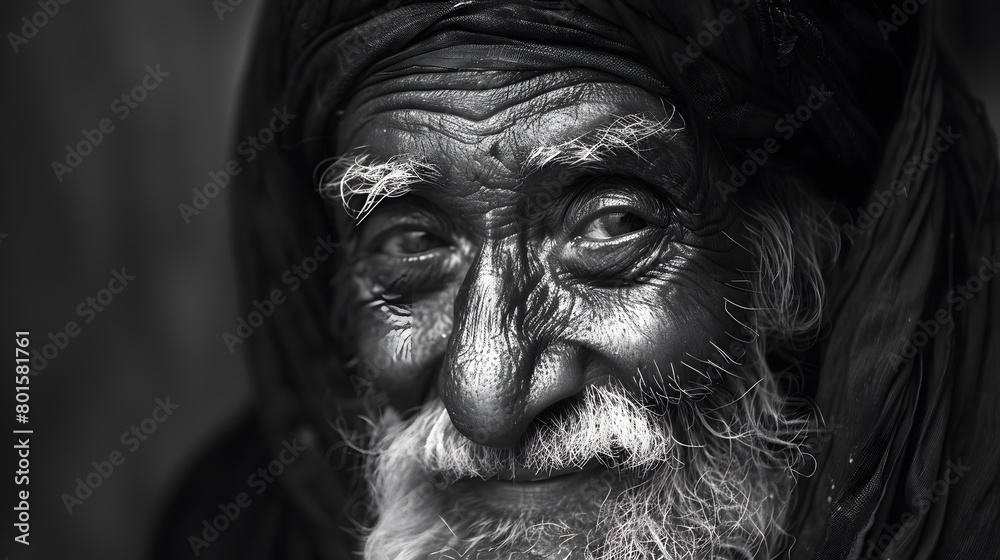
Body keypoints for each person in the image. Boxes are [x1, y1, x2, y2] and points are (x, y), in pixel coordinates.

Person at [155, 1, 1000, 558]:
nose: (485, 399)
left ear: (816, 254)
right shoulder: (231, 531)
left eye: (609, 225)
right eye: (413, 242)